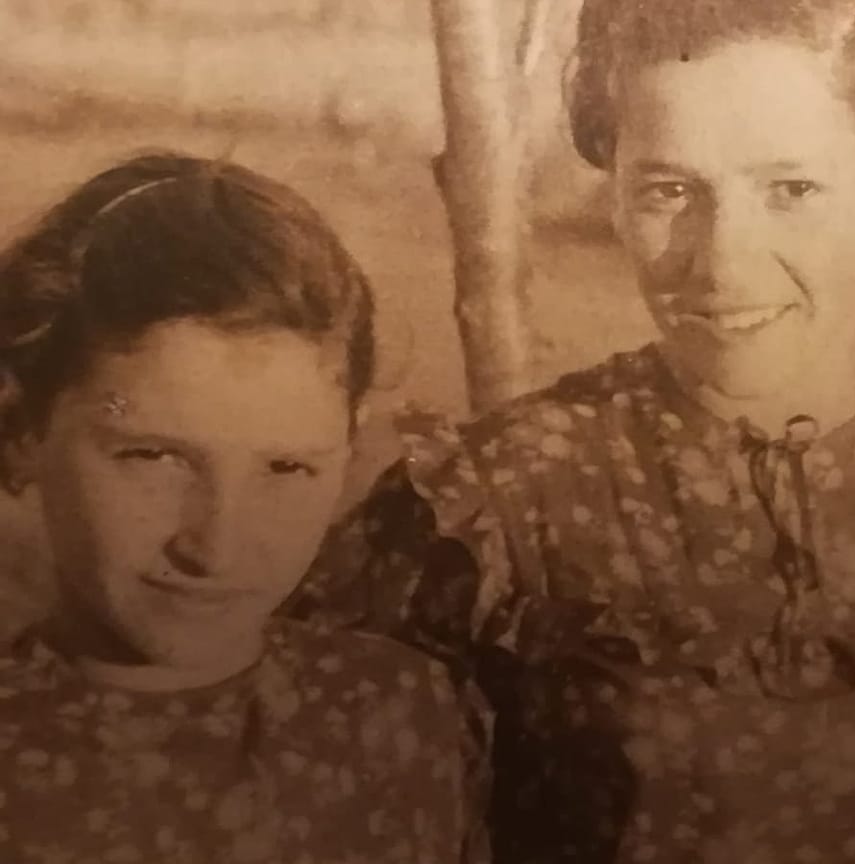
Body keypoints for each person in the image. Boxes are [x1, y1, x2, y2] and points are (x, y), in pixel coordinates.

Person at [283, 0, 855, 861]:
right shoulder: (489, 509)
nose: (724, 261)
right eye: (670, 191)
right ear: (612, 197)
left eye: (790, 190)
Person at [0, 153, 489, 863]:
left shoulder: (402, 713)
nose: (216, 546)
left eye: (287, 467)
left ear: (346, 452)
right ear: (22, 433)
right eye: (153, 458)